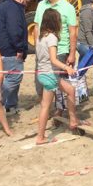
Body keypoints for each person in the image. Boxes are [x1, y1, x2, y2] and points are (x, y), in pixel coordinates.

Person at [35, 9, 79, 145]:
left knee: (70, 90)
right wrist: (67, 68)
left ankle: (73, 120)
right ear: (55, 21)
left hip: (45, 73)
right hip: (49, 75)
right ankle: (40, 137)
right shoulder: (52, 37)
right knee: (45, 107)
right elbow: (54, 60)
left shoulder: (40, 36)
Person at [34, 0, 77, 102]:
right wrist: (38, 47)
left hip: (60, 50)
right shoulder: (41, 5)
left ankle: (59, 111)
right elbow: (37, 27)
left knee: (59, 83)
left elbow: (73, 32)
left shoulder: (68, 7)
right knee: (40, 81)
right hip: (43, 50)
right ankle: (45, 109)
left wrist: (72, 54)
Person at [0, 0, 32, 114]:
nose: (27, 5)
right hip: (10, 50)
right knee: (14, 78)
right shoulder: (14, 9)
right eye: (27, 2)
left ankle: (11, 106)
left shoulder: (3, 6)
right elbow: (15, 30)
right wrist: (19, 48)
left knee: (10, 78)